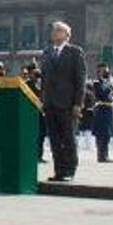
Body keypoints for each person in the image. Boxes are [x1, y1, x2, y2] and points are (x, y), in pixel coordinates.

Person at [39, 22, 85, 183]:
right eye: (54, 31)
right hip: (50, 103)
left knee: (68, 138)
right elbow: (44, 79)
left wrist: (78, 104)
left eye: (59, 31)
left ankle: (70, 170)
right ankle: (59, 170)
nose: (55, 33)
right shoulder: (47, 53)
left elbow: (80, 80)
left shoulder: (74, 52)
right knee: (54, 140)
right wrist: (42, 100)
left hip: (67, 103)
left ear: (67, 35)